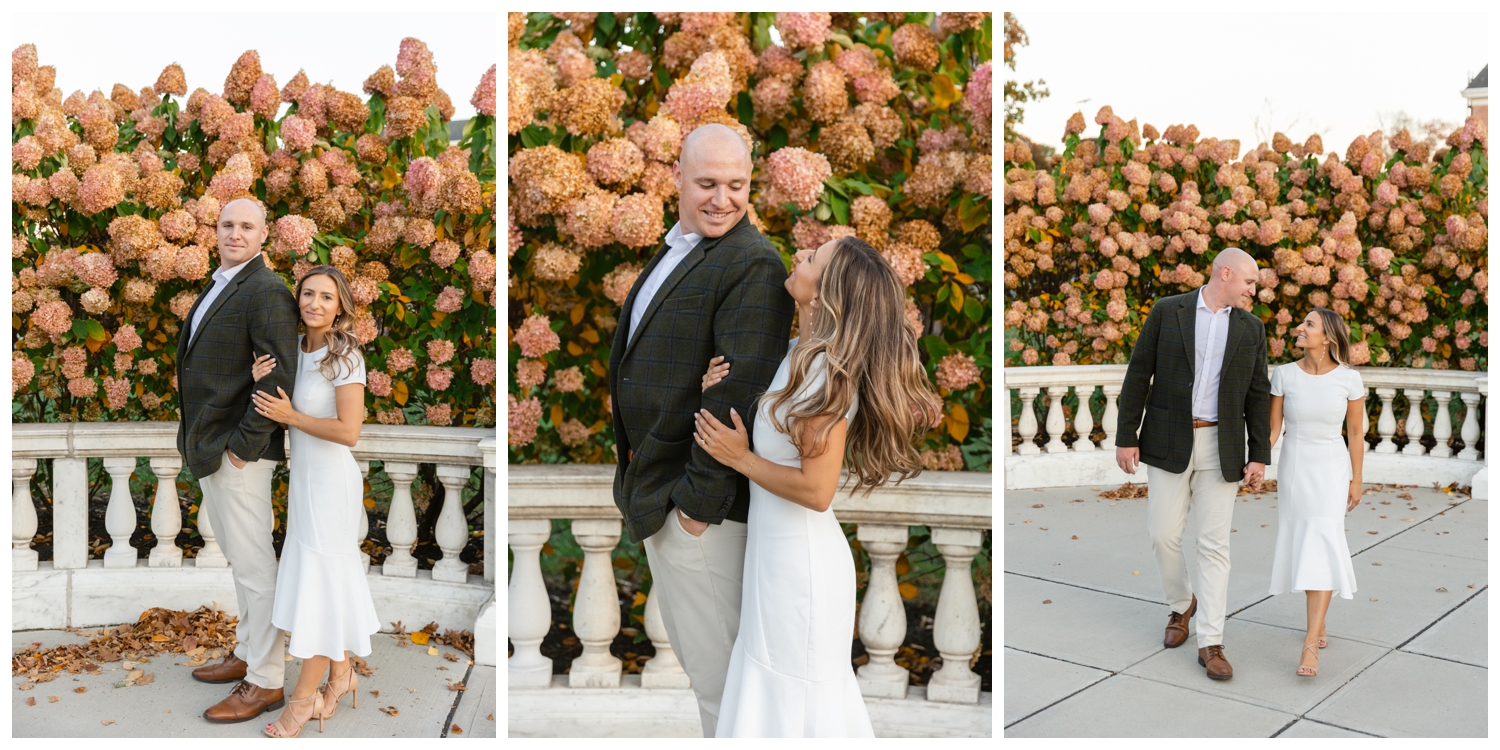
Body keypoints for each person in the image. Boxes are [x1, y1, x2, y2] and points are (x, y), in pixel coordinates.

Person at [694, 235, 942, 737]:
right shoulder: (799, 353)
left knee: (798, 706)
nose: (799, 256)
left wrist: (739, 458)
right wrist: (712, 388)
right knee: (774, 700)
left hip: (801, 571)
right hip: (776, 561)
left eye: (812, 259)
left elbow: (817, 490)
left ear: (825, 292)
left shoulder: (828, 373)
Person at [607, 123, 794, 737]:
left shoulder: (755, 265)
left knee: (722, 686)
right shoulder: (679, 248)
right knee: (707, 674)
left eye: (737, 185)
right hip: (663, 489)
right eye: (708, 183)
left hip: (699, 509)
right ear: (678, 180)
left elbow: (739, 396)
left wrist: (694, 510)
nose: (723, 199)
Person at [1114, 247, 1272, 682]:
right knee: (1162, 534)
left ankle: (1211, 641)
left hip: (1222, 445)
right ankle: (1181, 603)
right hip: (1167, 439)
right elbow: (1137, 374)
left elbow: (1259, 393)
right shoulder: (1169, 311)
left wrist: (1258, 454)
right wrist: (1127, 436)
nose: (1253, 290)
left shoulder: (1251, 328)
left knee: (1214, 543)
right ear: (1226, 274)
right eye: (1249, 282)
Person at [177, 197, 300, 724]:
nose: (235, 233)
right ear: (217, 229)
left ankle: (267, 681)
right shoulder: (222, 282)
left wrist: (242, 449)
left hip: (239, 451)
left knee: (255, 567)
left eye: (246, 226)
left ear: (263, 235)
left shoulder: (267, 290)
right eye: (228, 224)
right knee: (239, 561)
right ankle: (248, 652)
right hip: (210, 442)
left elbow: (278, 379)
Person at [247, 265, 380, 736]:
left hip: (331, 488)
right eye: (307, 294)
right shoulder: (294, 351)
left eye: (326, 297)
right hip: (303, 485)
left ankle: (302, 701)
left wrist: (292, 416)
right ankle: (340, 676)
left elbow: (350, 433)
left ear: (340, 305)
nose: (315, 304)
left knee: (321, 592)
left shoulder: (346, 359)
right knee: (325, 585)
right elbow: (274, 407)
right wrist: (258, 378)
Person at [1267, 308, 1365, 678]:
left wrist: (1357, 480)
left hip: (1331, 467)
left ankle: (1310, 642)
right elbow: (1274, 430)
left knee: (1322, 540)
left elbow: (1355, 433)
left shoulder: (1349, 380)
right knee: (1303, 542)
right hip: (1295, 468)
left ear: (1327, 337)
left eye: (1309, 324)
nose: (1300, 328)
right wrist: (1256, 461)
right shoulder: (1284, 375)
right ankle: (1318, 620)